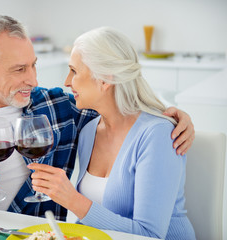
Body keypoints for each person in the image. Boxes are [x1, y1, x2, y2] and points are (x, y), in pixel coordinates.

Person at [0, 16, 194, 221]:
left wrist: (171, 113)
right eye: (19, 70)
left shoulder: (59, 107)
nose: (33, 80)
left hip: (39, 232)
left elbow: (120, 102)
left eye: (33, 66)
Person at [28, 27, 196, 239]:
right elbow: (94, 218)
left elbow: (150, 235)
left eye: (74, 71)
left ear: (105, 79)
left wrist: (72, 200)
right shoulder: (89, 130)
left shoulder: (158, 136)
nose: (67, 81)